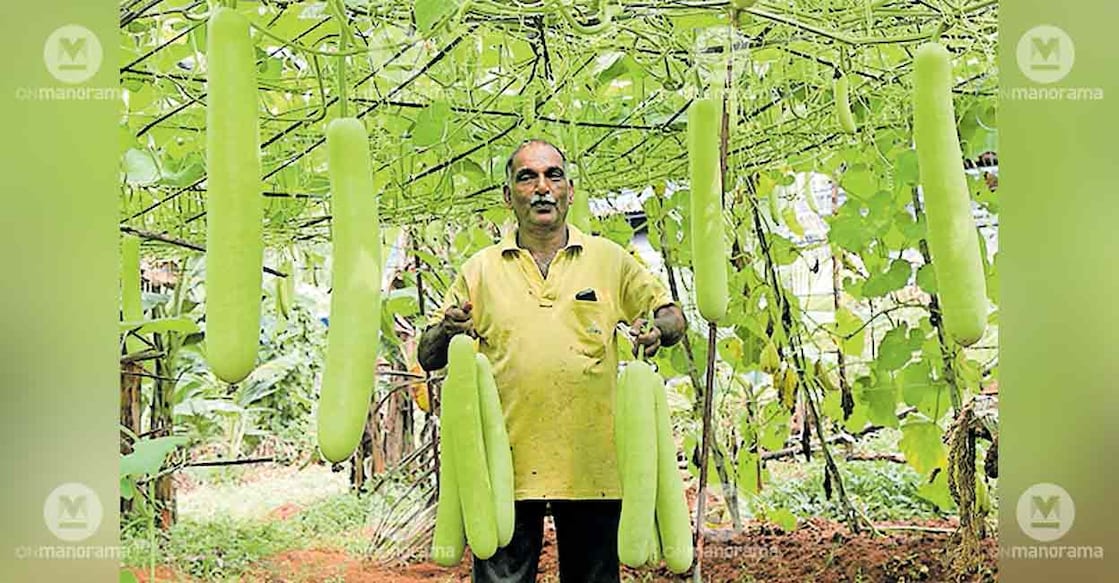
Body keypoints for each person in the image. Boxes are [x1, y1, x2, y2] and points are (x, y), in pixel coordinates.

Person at [418, 139, 687, 583]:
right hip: (504, 468)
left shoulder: (609, 260)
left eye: (553, 175)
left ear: (570, 190)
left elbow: (671, 313)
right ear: (509, 196)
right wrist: (448, 329)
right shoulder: (479, 270)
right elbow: (428, 356)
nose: (542, 187)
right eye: (527, 177)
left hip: (593, 463)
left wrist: (660, 329)